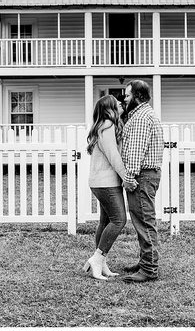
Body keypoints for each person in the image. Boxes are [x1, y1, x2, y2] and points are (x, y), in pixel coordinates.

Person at [120, 80, 164, 283]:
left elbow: (136, 151)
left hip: (142, 175)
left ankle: (149, 268)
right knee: (142, 220)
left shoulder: (140, 117)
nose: (124, 99)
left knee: (144, 221)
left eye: (127, 96)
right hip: (148, 174)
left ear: (138, 97)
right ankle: (145, 260)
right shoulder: (145, 114)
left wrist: (129, 178)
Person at [82, 95, 129, 280]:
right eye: (117, 103)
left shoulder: (101, 126)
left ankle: (101, 263)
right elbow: (113, 156)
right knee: (119, 220)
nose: (120, 103)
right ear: (110, 108)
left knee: (105, 221)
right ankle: (97, 258)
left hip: (100, 182)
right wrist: (126, 177)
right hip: (106, 183)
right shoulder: (108, 125)